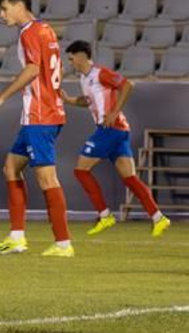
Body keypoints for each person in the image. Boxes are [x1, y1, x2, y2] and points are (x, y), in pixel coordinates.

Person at [0, 0, 73, 257]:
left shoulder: (29, 32)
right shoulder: (45, 29)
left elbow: (34, 69)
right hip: (41, 113)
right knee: (11, 167)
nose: (2, 15)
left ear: (19, 4)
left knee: (47, 178)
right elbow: (54, 69)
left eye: (4, 8)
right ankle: (17, 237)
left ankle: (63, 244)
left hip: (40, 116)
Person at [62, 40, 170, 238]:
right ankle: (158, 217)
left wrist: (114, 112)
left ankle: (104, 216)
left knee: (81, 170)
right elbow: (88, 101)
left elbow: (127, 85)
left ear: (81, 56)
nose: (70, 63)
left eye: (71, 58)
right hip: (119, 131)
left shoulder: (100, 73)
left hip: (110, 129)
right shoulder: (85, 79)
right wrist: (69, 100)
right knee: (130, 178)